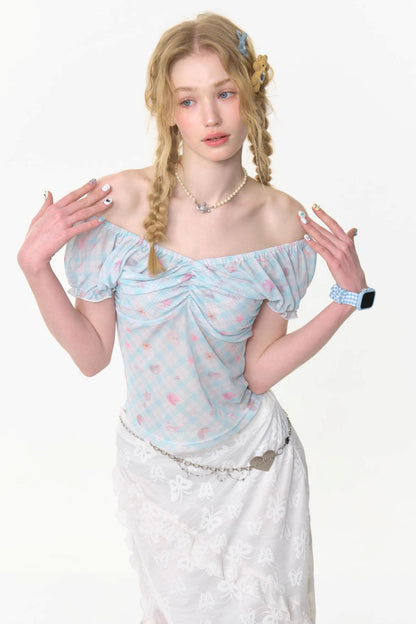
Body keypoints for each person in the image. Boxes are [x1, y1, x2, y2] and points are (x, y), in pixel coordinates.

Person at [17, 12, 375, 624]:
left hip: (256, 470)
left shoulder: (282, 224)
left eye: (224, 93)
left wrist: (347, 297)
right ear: (169, 111)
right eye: (189, 100)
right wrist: (33, 267)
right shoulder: (117, 206)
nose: (210, 117)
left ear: (250, 97)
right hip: (158, 470)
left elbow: (257, 372)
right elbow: (91, 356)